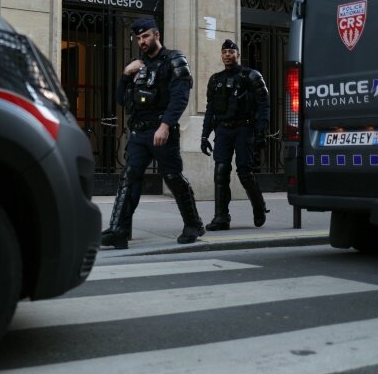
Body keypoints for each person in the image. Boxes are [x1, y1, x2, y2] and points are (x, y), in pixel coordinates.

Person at [101, 18, 205, 249]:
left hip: (161, 131)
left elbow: (180, 98)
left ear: (157, 35)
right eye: (138, 38)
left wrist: (166, 126)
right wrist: (125, 75)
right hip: (139, 133)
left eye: (146, 36)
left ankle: (193, 224)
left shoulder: (174, 60)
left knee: (172, 178)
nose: (142, 41)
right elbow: (121, 100)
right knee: (129, 177)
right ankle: (119, 229)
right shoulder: (136, 65)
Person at [200, 39, 270, 230]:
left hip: (243, 128)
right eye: (224, 52)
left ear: (238, 54)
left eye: (231, 51)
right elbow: (210, 109)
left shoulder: (251, 76)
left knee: (244, 172)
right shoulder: (215, 79)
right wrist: (204, 135)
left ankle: (259, 207)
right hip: (223, 129)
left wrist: (260, 132)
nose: (227, 55)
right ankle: (221, 217)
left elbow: (264, 105)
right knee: (220, 171)